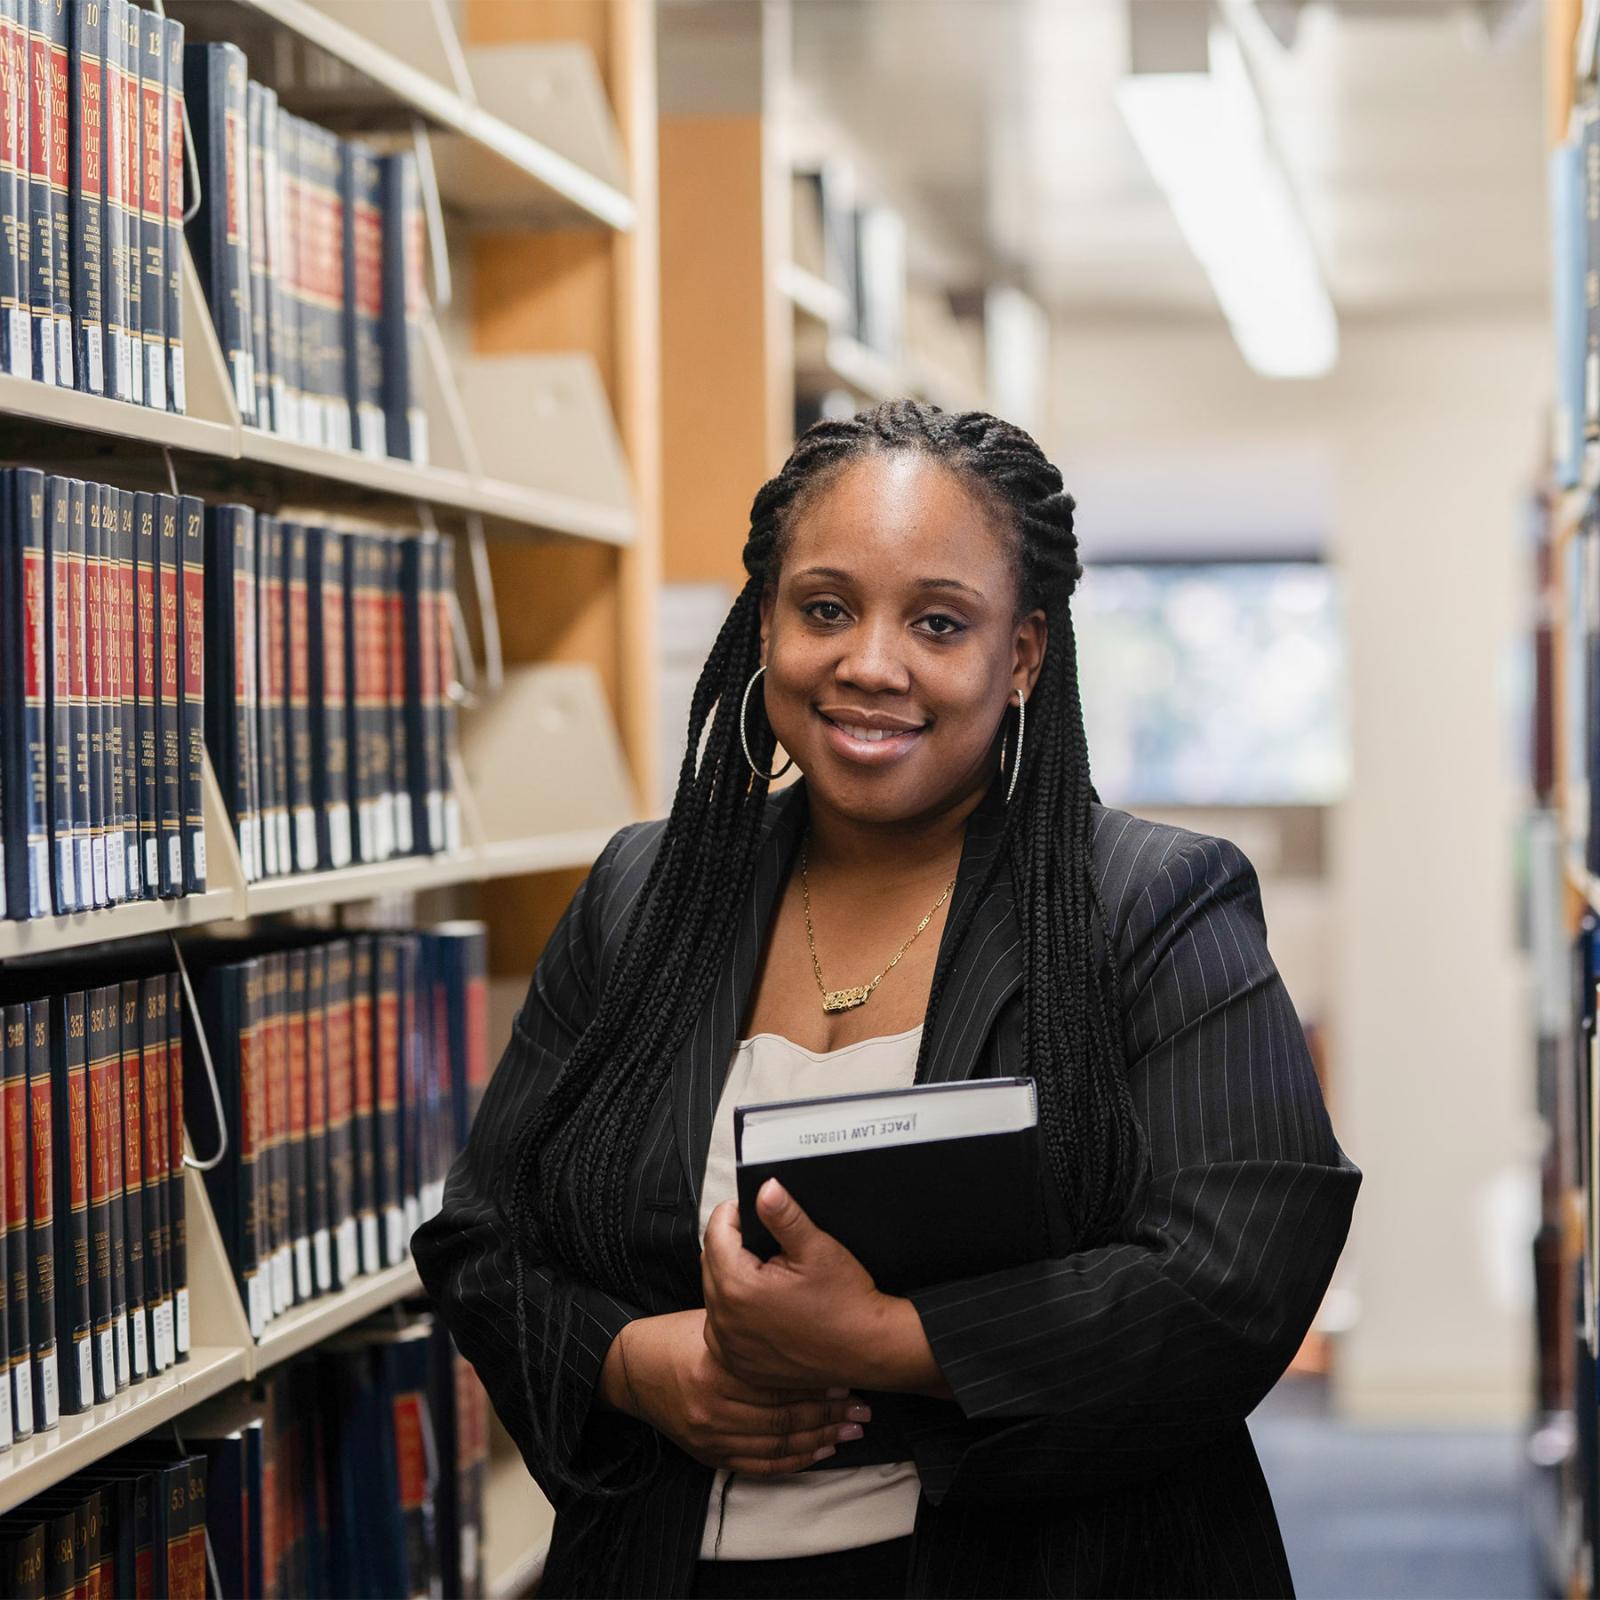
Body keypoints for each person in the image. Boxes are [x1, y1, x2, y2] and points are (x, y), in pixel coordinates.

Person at [412, 400, 1361, 1599]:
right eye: (824, 608)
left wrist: (884, 1346)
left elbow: (1231, 1276)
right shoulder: (641, 896)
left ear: (1019, 655)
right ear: (766, 624)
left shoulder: (1149, 904)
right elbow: (484, 1235)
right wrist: (638, 1364)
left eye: (937, 622)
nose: (870, 661)